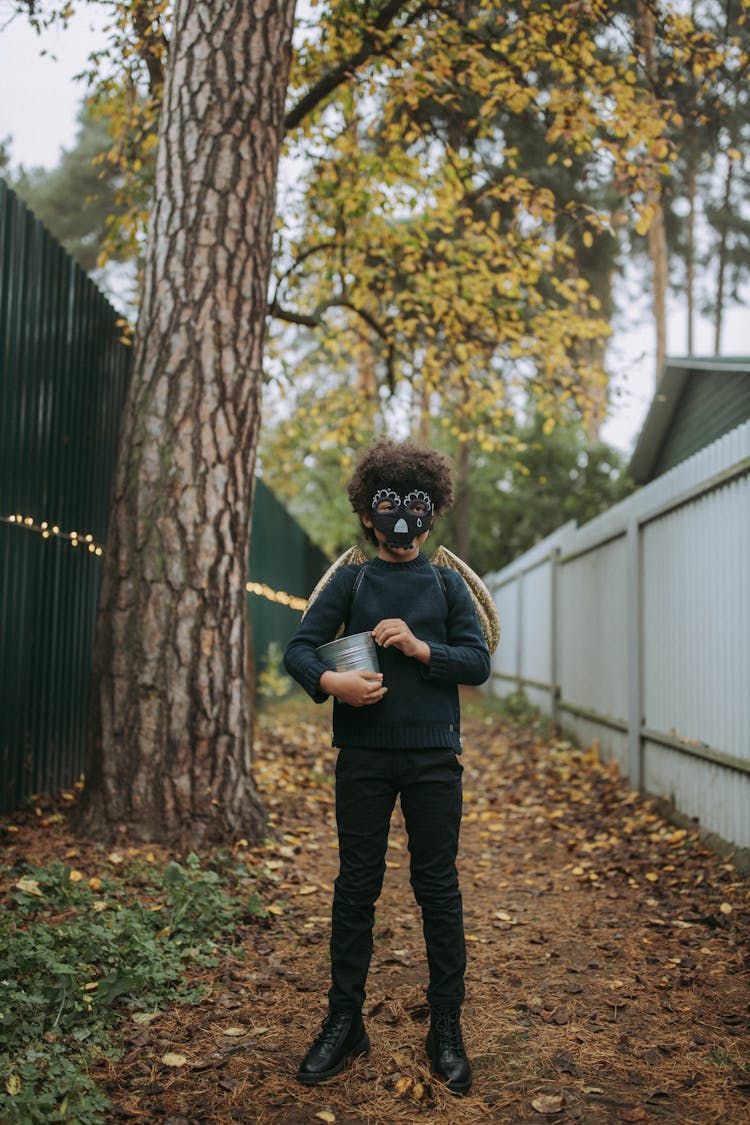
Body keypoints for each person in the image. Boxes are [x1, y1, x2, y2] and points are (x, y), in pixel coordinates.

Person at [283, 437, 491, 1094]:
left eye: (417, 504)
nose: (403, 517)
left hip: (435, 757)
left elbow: (478, 662)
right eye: (389, 503)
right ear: (368, 514)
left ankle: (446, 1026)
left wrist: (422, 648)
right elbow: (298, 649)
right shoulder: (351, 580)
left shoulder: (445, 581)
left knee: (438, 888)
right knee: (355, 887)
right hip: (364, 756)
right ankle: (345, 1021)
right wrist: (331, 684)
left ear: (432, 513)